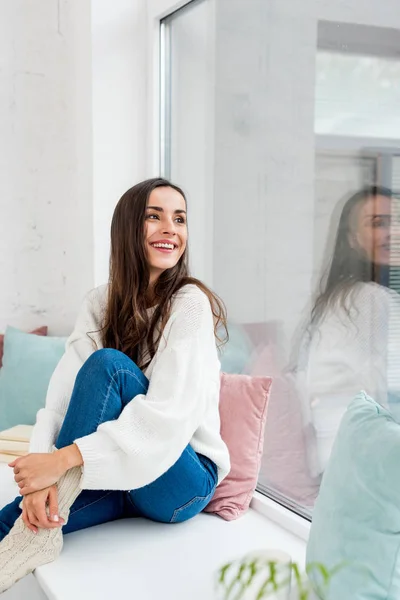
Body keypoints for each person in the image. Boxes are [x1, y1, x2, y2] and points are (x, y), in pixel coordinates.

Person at [0, 178, 230, 593]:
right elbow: (60, 400)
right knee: (18, 517)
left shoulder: (189, 303)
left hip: (179, 481)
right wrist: (38, 480)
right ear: (128, 228)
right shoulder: (99, 302)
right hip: (120, 471)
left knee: (109, 366)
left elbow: (166, 420)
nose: (170, 229)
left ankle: (49, 509)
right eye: (153, 217)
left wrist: (60, 461)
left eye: (179, 219)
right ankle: (35, 532)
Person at [295, 185, 400, 477]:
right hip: (361, 464)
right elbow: (388, 397)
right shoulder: (369, 299)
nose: (394, 232)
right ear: (353, 239)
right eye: (379, 223)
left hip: (337, 459)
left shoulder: (345, 295)